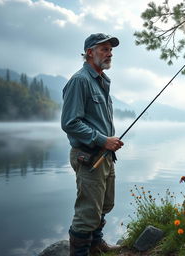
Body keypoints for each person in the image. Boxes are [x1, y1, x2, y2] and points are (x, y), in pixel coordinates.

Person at [61, 33, 124, 256]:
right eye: (104, 49)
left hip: (105, 155)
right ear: (90, 52)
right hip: (87, 156)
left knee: (105, 205)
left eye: (110, 50)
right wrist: (103, 140)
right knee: (88, 212)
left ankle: (96, 245)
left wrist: (109, 142)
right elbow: (70, 123)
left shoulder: (102, 81)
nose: (110, 53)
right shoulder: (80, 81)